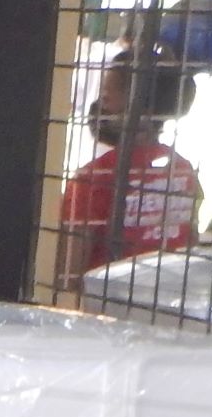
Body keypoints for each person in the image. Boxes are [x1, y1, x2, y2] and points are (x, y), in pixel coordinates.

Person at [59, 50, 203, 290]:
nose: (100, 102)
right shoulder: (183, 171)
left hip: (106, 310)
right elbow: (190, 240)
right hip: (165, 302)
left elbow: (68, 274)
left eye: (105, 95)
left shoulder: (95, 178)